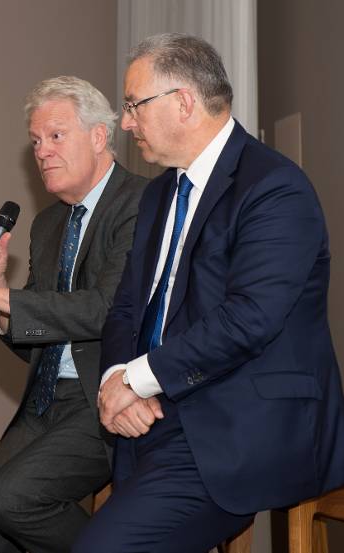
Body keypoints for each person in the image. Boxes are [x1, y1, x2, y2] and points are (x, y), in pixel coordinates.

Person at [75, 33, 344, 553]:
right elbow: (127, 306)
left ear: (183, 102)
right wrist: (115, 379)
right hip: (157, 416)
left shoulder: (275, 187)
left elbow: (249, 318)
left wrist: (137, 378)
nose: (125, 124)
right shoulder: (158, 193)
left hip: (242, 425)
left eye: (133, 105)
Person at [0, 76, 147, 553]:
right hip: (42, 403)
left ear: (99, 136)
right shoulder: (49, 222)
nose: (42, 151)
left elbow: (104, 310)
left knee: (12, 499)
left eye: (56, 136)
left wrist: (0, 299)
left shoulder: (140, 203)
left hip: (108, 402)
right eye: (36, 141)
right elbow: (39, 336)